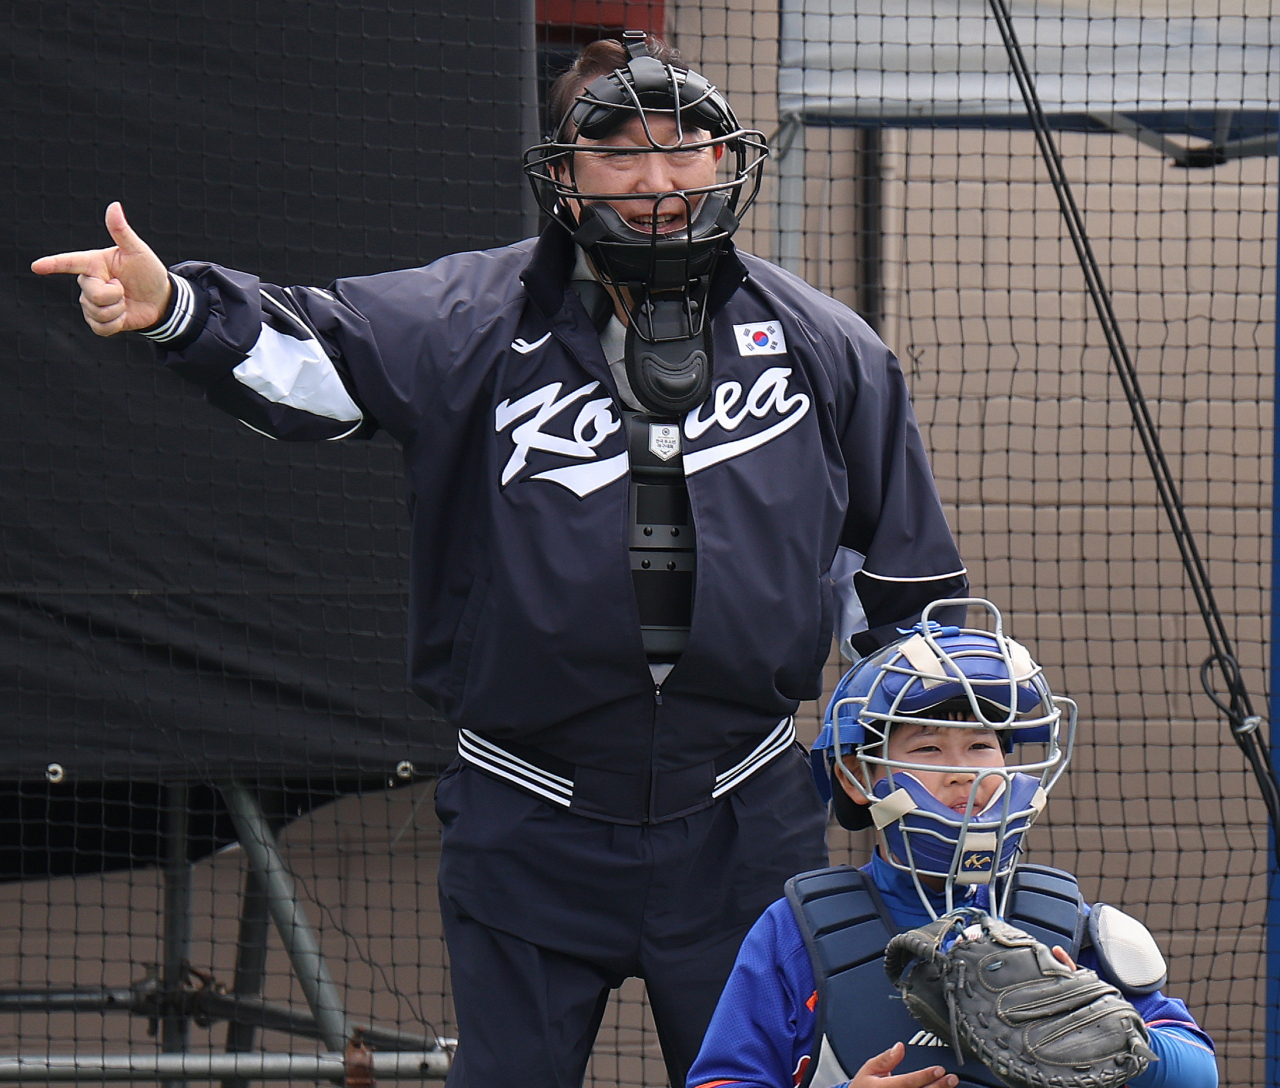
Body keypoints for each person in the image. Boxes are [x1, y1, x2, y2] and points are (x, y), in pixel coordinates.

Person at [31, 32, 969, 1088]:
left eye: (685, 146)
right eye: (620, 152)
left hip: (745, 823)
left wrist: (930, 791)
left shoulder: (827, 348)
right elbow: (316, 359)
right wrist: (177, 309)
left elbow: (905, 605)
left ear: (725, 159)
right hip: (529, 821)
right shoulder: (468, 321)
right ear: (563, 178)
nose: (658, 179)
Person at [687, 598, 1217, 1088]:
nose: (963, 772)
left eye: (982, 744)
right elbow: (721, 1079)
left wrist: (1118, 1041)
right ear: (856, 776)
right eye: (930, 748)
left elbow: (1199, 1074)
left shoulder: (1071, 926)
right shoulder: (795, 930)